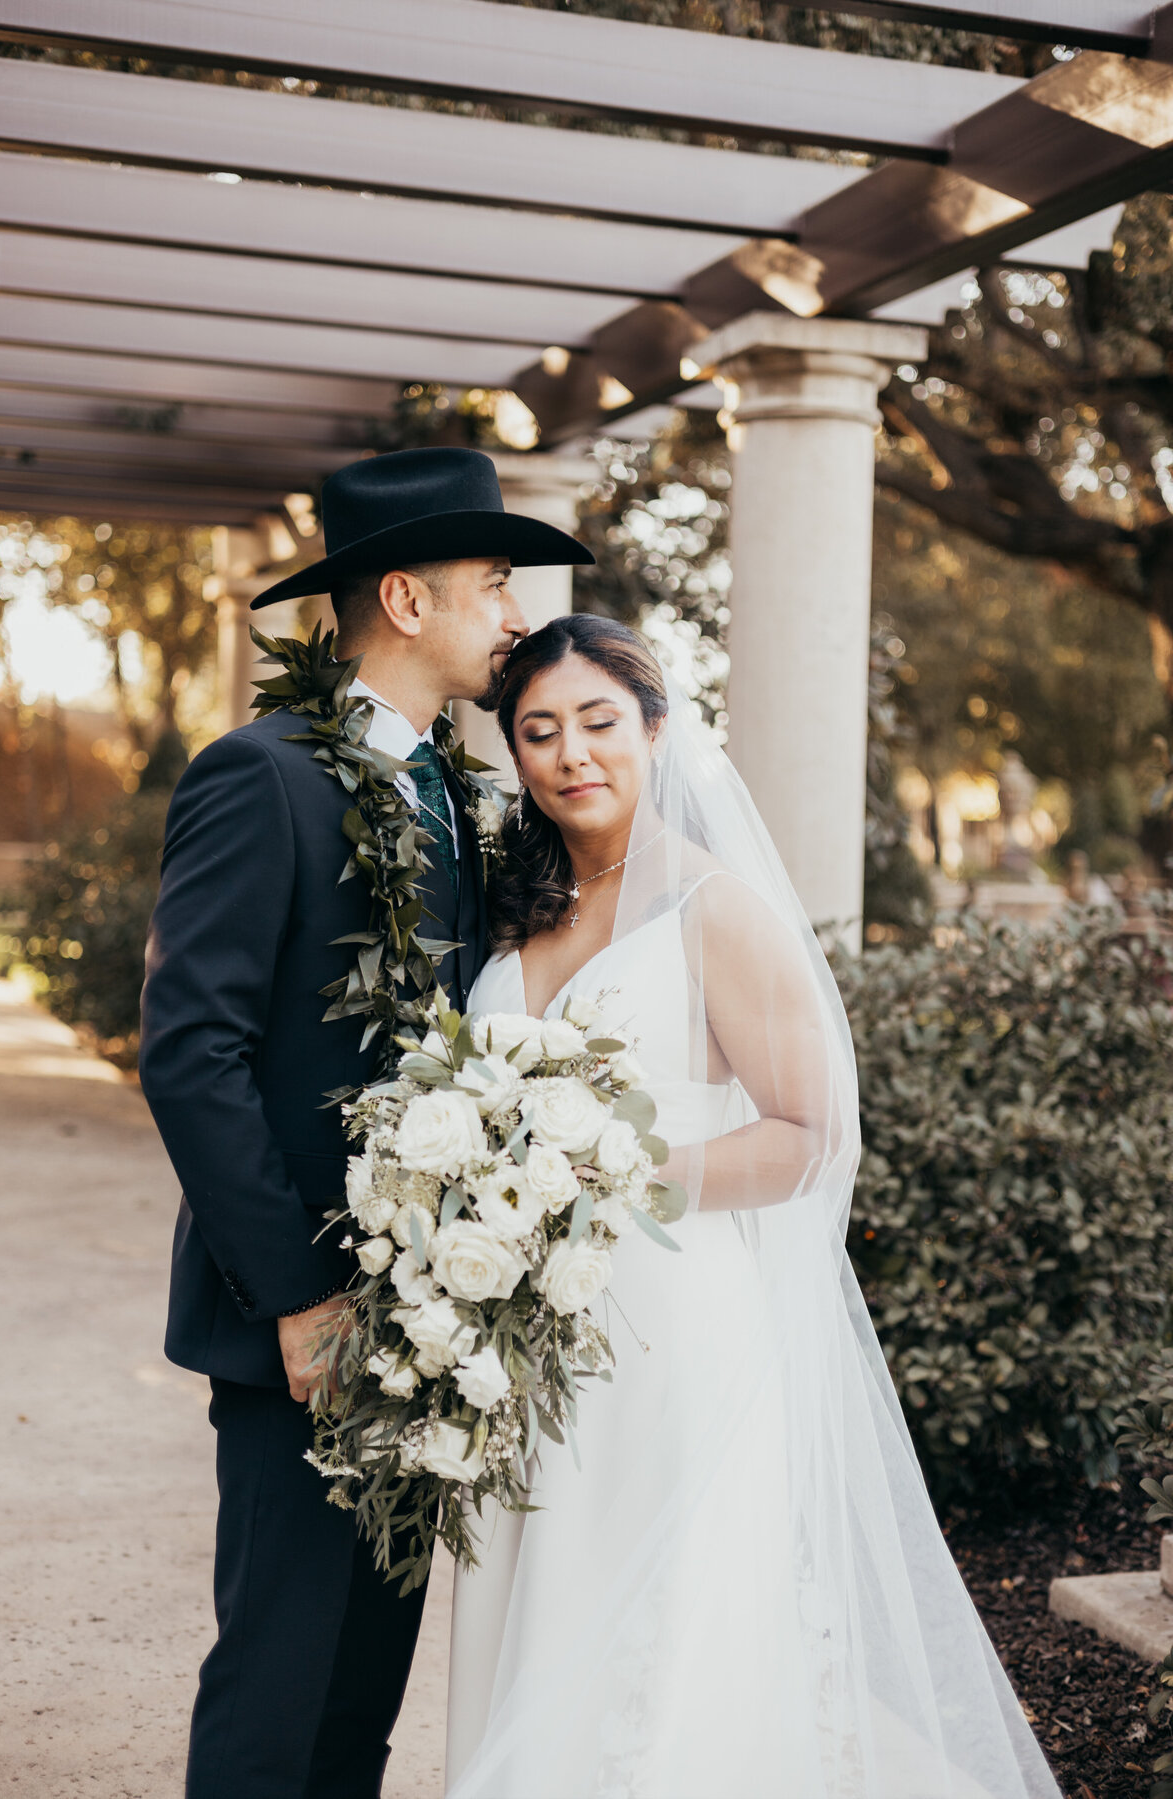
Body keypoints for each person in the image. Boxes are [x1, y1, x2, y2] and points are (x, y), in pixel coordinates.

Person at [445, 614, 1061, 1799]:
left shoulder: (713, 907)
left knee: (661, 1631)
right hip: (525, 1333)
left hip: (671, 1322)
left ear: (658, 728)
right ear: (514, 754)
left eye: (598, 721)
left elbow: (811, 1133)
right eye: (538, 730)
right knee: (536, 1600)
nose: (572, 752)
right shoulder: (521, 903)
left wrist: (615, 1172)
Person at [138, 447, 592, 1799]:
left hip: (426, 1318)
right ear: (404, 597)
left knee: (363, 1693)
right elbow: (191, 1049)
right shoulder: (257, 773)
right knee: (275, 1686)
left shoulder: (451, 785)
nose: (515, 611)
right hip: (302, 1322)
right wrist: (297, 1296)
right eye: (493, 582)